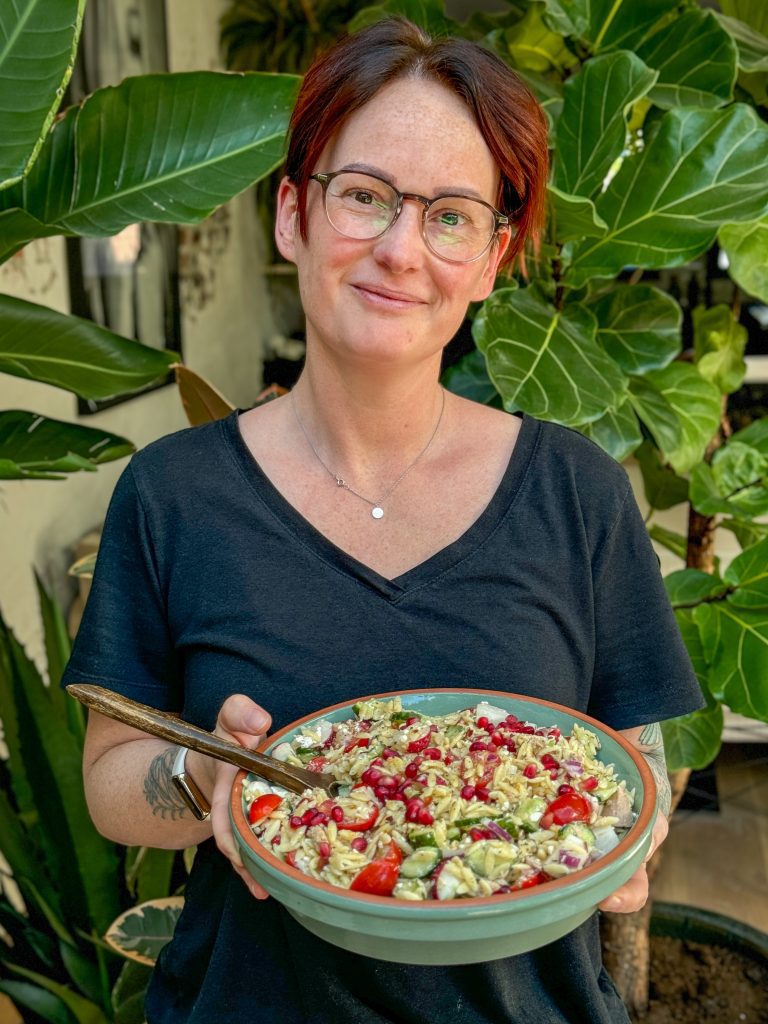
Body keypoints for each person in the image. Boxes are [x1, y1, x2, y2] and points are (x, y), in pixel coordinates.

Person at [63, 18, 704, 1024]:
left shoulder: (578, 492)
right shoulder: (173, 493)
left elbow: (629, 770)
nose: (402, 249)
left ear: (491, 259)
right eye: (365, 196)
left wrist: (626, 845)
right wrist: (200, 774)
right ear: (294, 216)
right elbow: (109, 782)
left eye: (451, 216)